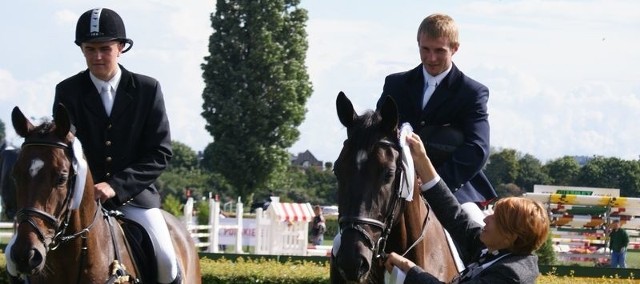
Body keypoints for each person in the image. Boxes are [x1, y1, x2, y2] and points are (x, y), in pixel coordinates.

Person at [52, 8, 179, 284]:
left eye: (105, 48)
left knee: (168, 262)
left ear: (120, 48)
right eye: (90, 49)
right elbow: (63, 150)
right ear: (82, 50)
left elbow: (160, 153)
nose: (97, 56)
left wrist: (116, 186)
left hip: (136, 198)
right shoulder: (67, 91)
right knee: (28, 252)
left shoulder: (148, 89)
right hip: (80, 201)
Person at [376, 13, 495, 226]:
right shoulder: (395, 84)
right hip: (395, 184)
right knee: (344, 240)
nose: (431, 58)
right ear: (418, 44)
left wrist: (433, 182)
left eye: (439, 50)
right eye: (425, 49)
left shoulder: (472, 92)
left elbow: (478, 148)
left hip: (452, 188)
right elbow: (378, 134)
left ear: (455, 48)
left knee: (477, 228)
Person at [384, 132, 549, 283]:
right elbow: (454, 216)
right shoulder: (500, 249)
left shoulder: (510, 274)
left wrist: (411, 272)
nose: (486, 218)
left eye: (496, 219)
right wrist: (422, 160)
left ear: (511, 236)